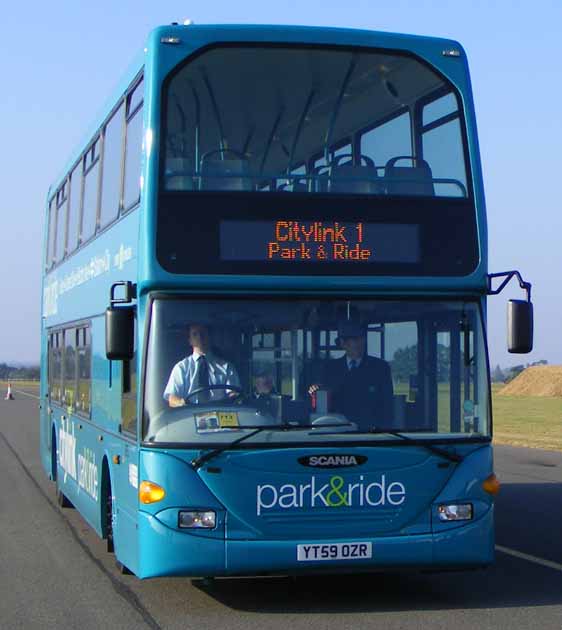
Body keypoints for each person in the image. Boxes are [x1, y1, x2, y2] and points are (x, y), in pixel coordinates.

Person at [308, 322, 394, 429]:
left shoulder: (380, 368)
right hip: (336, 432)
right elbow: (321, 397)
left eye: (361, 338)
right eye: (354, 339)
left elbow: (388, 407)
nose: (359, 343)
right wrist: (316, 390)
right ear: (343, 343)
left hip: (370, 434)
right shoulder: (330, 369)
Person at [164, 323, 240, 407]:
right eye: (195, 334)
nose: (200, 337)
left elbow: (234, 395)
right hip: (189, 416)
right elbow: (172, 399)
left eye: (203, 333)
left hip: (221, 415)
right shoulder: (181, 368)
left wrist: (234, 398)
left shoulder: (227, 367)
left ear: (209, 337)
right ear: (190, 340)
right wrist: (182, 403)